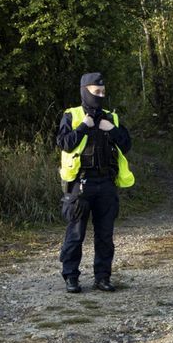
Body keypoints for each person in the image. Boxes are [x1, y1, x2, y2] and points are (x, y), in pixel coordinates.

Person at [57, 72, 134, 293]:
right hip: (80, 185)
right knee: (75, 233)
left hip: (106, 184)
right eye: (96, 92)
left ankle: (102, 277)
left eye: (103, 92)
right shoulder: (71, 116)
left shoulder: (111, 118)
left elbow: (127, 145)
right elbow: (64, 143)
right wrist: (84, 127)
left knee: (105, 235)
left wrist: (112, 130)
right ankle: (71, 277)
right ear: (85, 91)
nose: (100, 96)